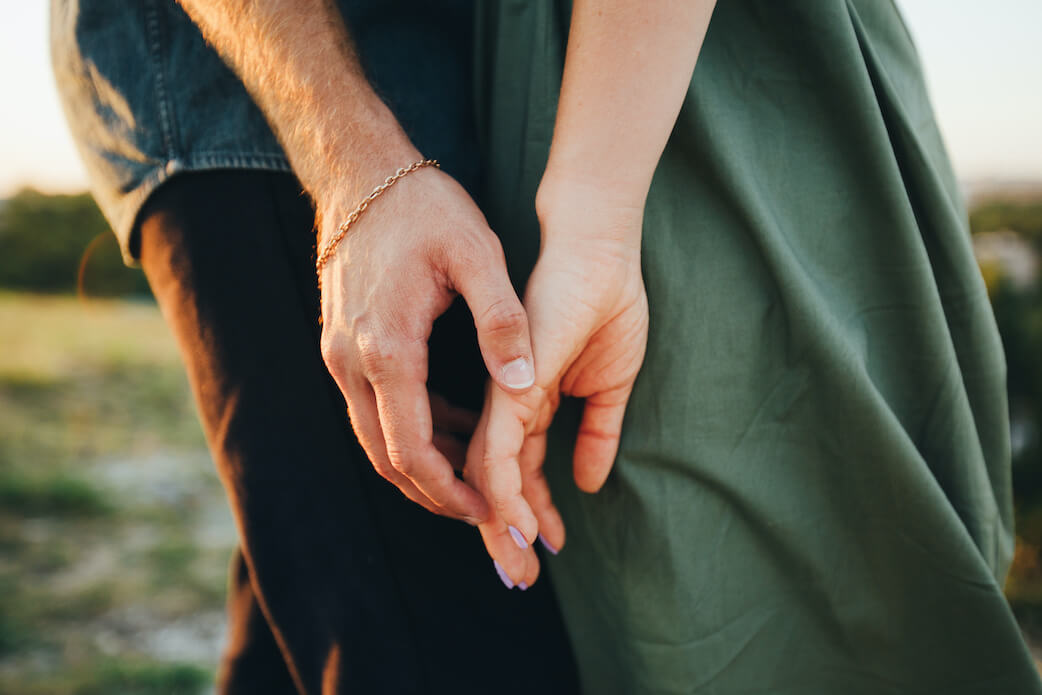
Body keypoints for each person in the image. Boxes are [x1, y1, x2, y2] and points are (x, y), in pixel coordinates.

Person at [52, 1, 1042, 695]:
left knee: (333, 612)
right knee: (421, 632)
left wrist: (593, 218)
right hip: (265, 90)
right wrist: (357, 173)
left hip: (519, 88)